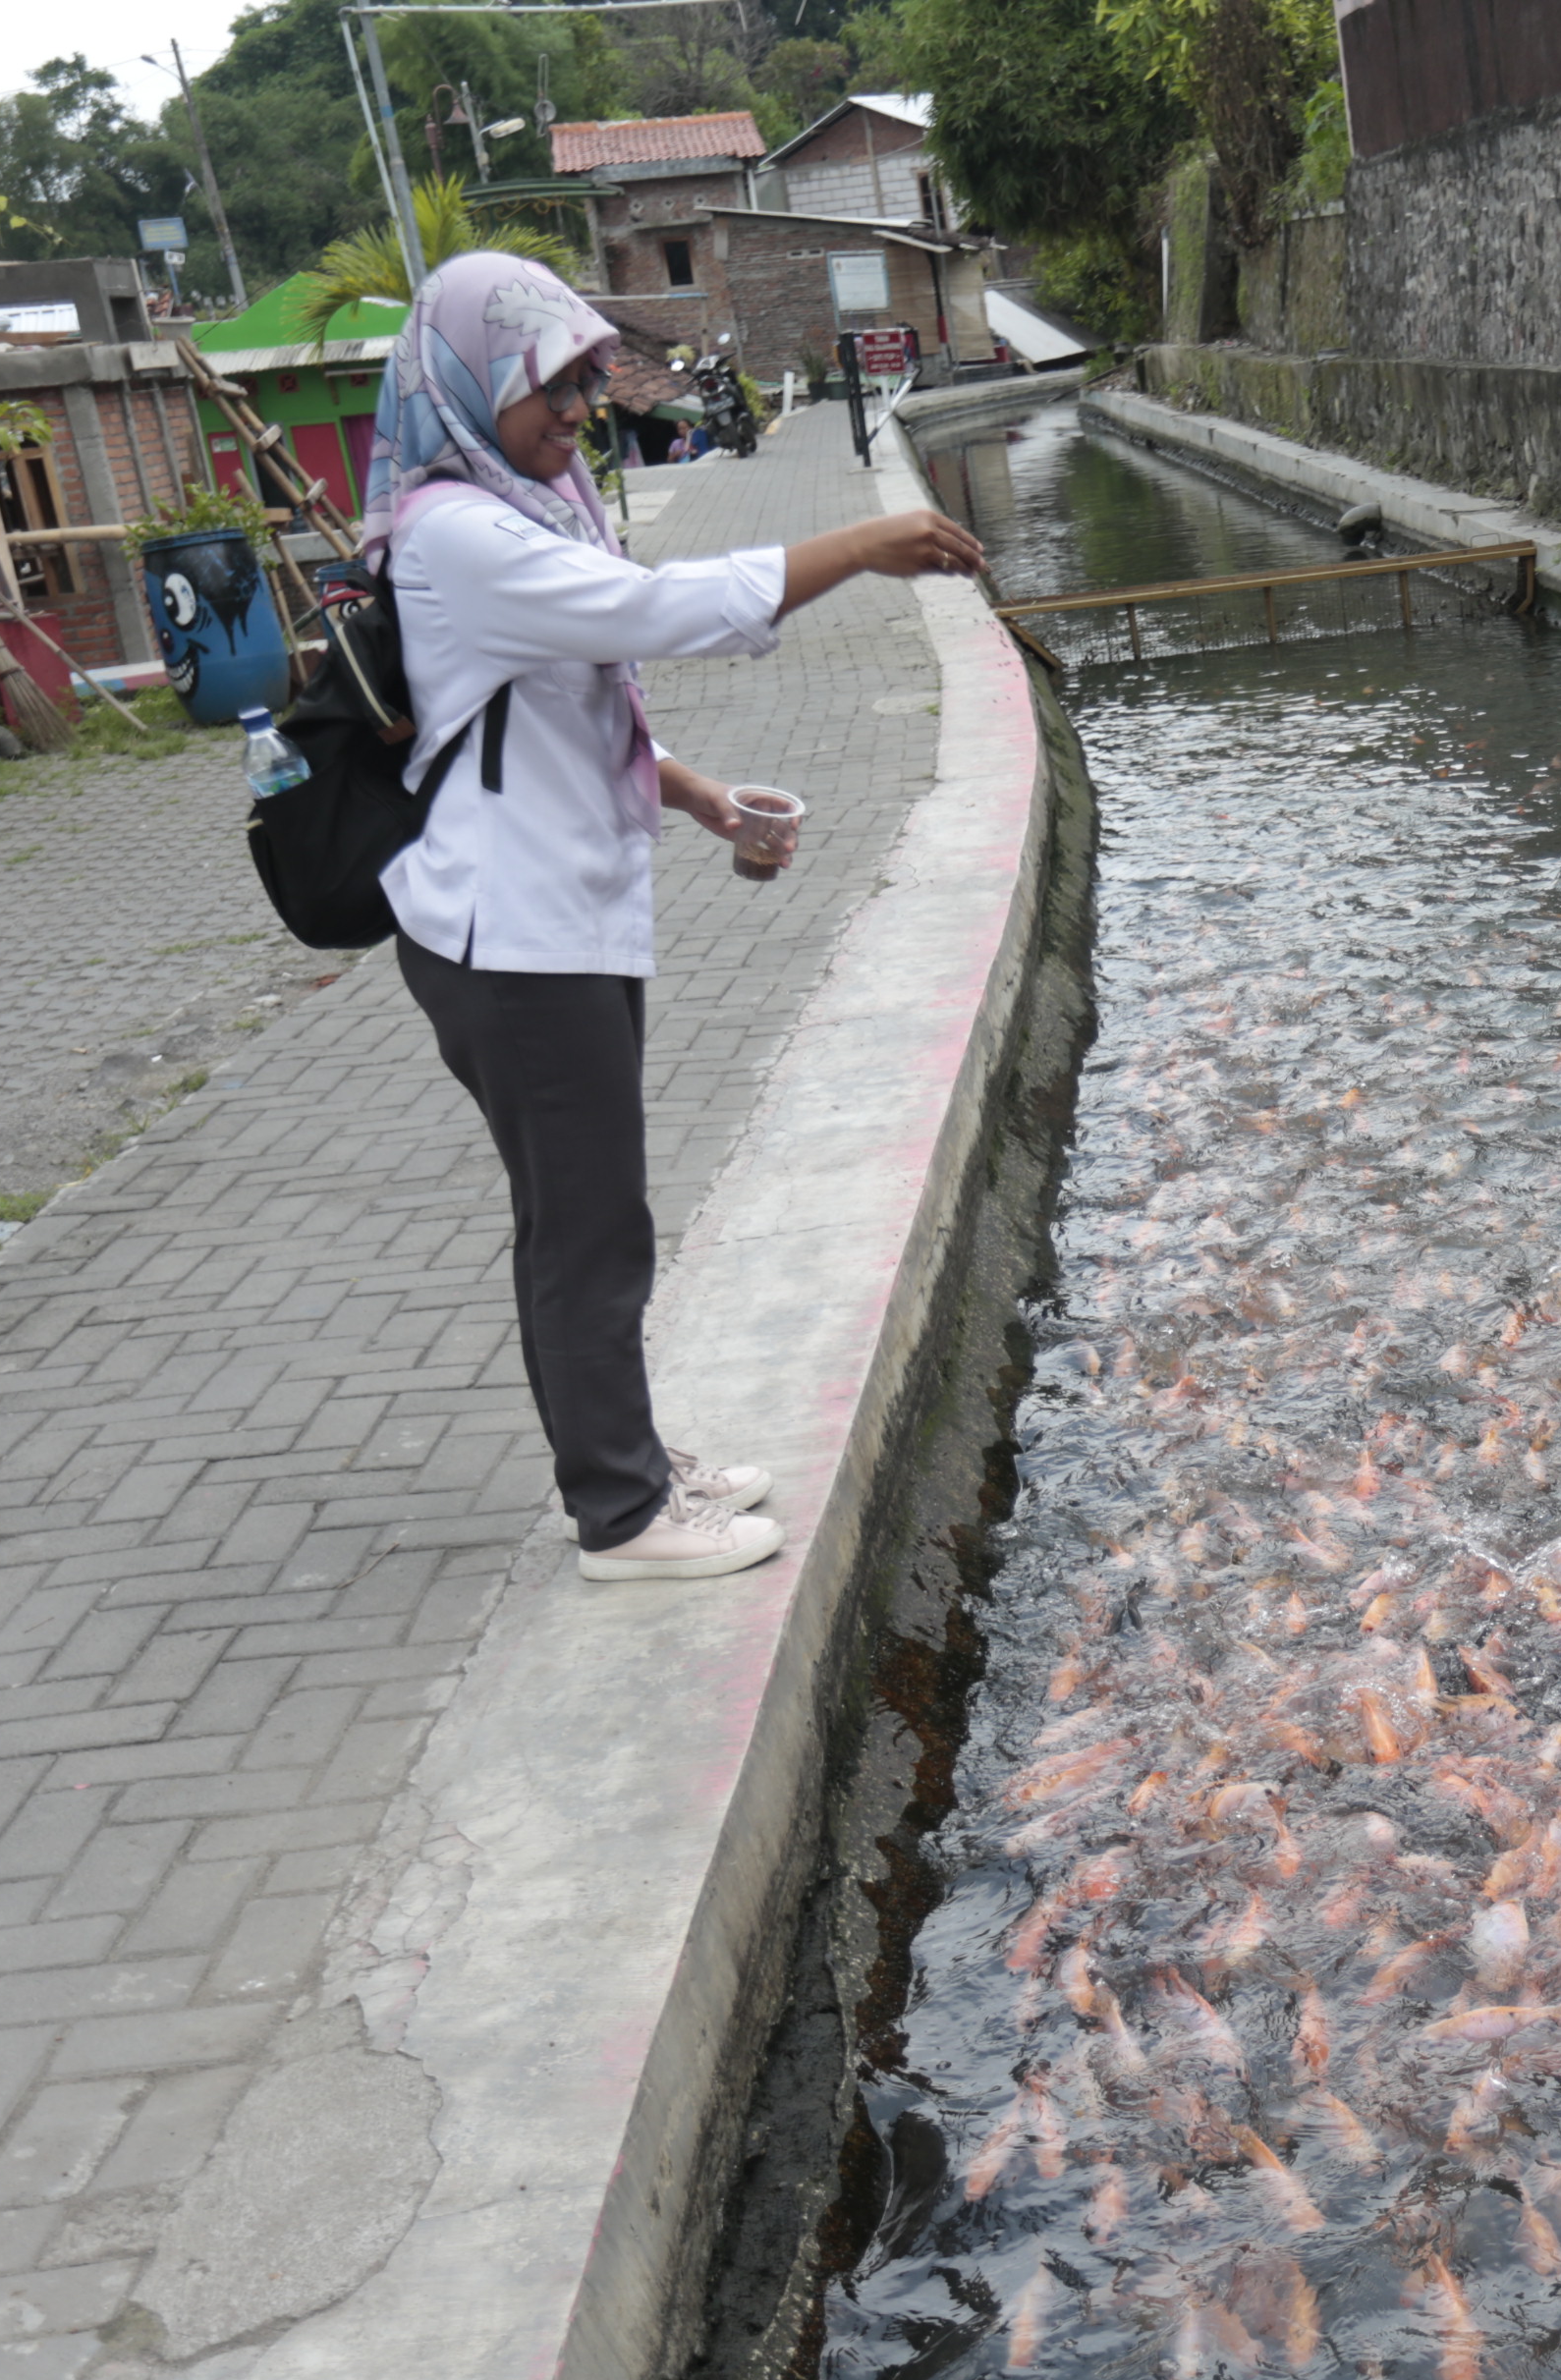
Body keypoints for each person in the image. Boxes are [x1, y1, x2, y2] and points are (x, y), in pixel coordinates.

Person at [362, 252, 986, 1579]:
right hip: (510, 939)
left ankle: (623, 1460)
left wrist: (694, 795)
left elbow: (559, 699)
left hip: (556, 922)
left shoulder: (525, 502)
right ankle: (625, 1516)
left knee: (583, 1214)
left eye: (585, 386)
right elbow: (648, 613)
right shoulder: (455, 531)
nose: (575, 413)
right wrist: (860, 544)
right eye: (548, 388)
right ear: (467, 383)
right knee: (588, 1226)